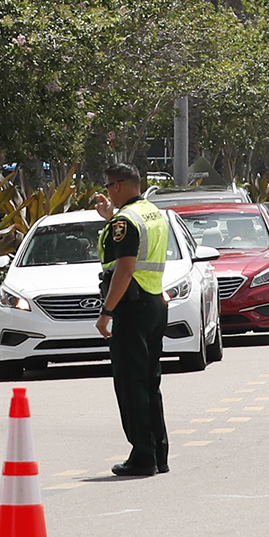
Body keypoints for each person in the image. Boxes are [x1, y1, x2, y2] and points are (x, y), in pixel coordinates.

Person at [94, 161, 172, 476]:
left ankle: (142, 456)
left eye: (108, 187)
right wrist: (110, 218)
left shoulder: (125, 221)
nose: (108, 194)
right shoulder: (153, 213)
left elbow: (125, 270)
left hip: (132, 306)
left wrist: (106, 313)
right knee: (150, 382)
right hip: (154, 302)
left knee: (131, 385)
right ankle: (158, 453)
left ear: (117, 186)